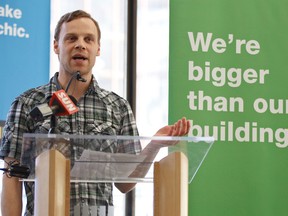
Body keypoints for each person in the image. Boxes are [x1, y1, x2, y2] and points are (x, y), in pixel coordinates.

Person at [0, 10, 190, 216]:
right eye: (71, 38)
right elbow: (12, 176)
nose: (80, 44)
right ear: (56, 45)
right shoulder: (27, 104)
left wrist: (153, 146)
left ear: (97, 49)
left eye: (88, 39)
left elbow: (125, 183)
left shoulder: (118, 106)